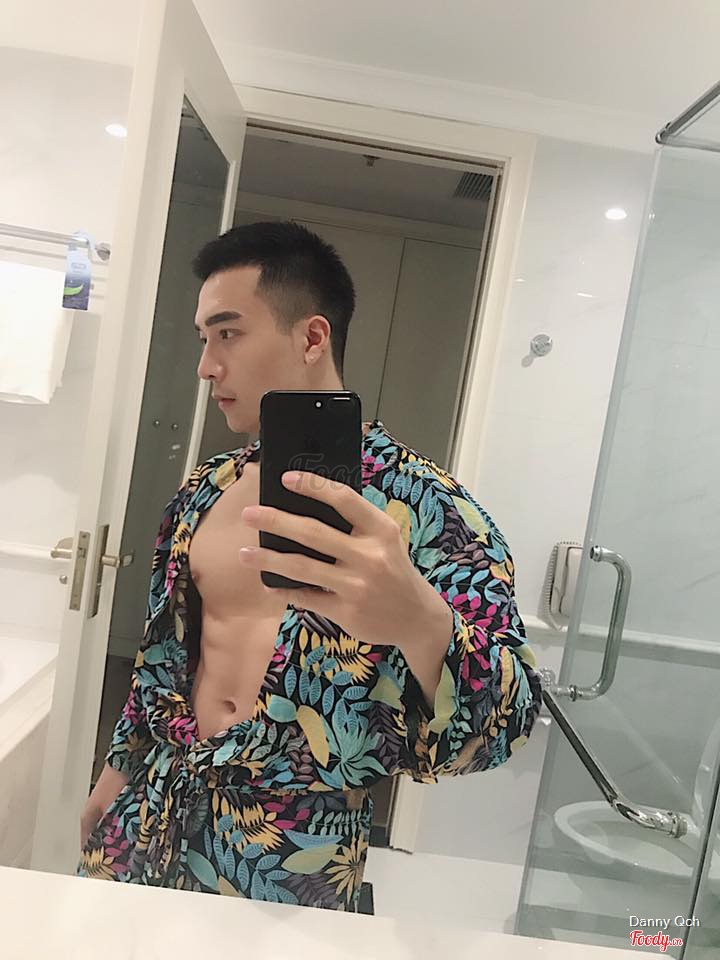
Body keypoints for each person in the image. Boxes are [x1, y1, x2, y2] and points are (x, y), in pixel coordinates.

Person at [79, 221, 542, 909]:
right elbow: (159, 663)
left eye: (228, 333)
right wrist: (113, 779)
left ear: (312, 337)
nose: (207, 366)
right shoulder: (202, 493)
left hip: (296, 851)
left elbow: (506, 722)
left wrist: (421, 620)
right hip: (151, 813)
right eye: (204, 338)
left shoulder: (427, 508)